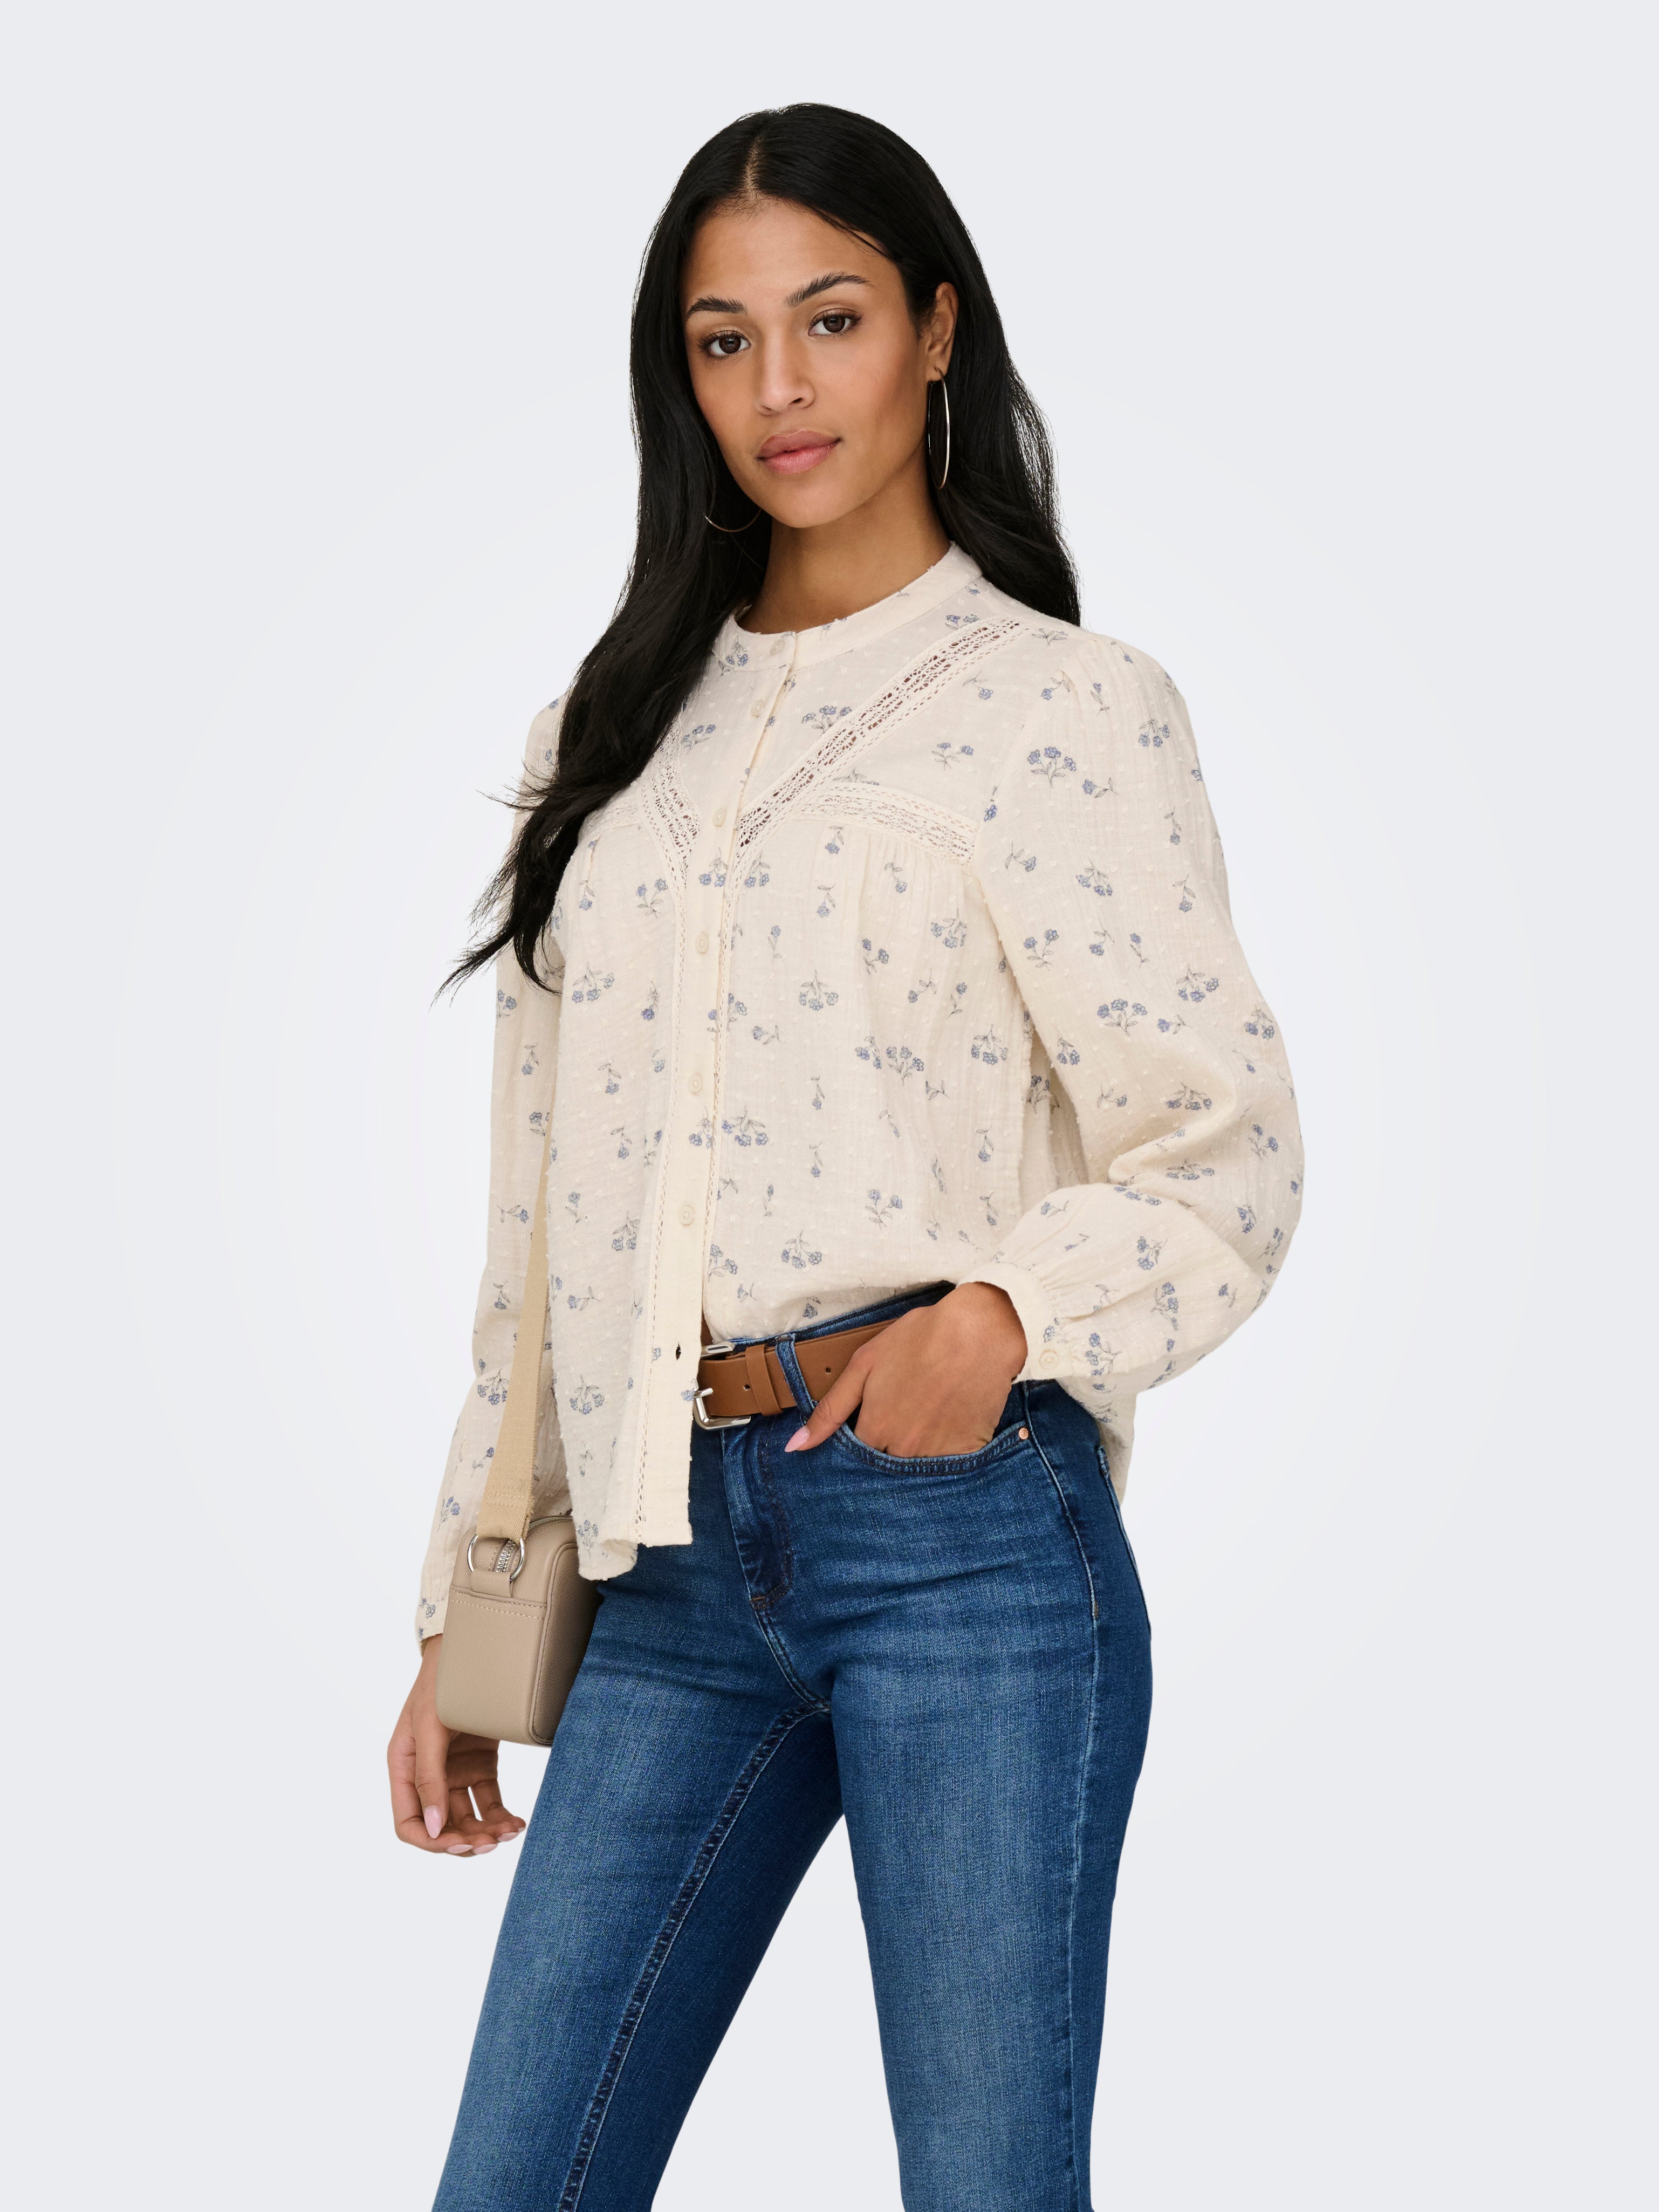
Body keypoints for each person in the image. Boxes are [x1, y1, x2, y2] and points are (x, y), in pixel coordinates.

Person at [388, 102, 1303, 2212]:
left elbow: (1224, 1151)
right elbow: (544, 1220)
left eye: (831, 319)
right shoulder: (604, 736)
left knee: (986, 2188)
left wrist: (1003, 1317)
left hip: (965, 1537)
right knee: (516, 2181)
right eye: (722, 341)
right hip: (664, 1556)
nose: (779, 388)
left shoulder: (1065, 707)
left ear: (935, 333)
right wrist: (469, 1594)